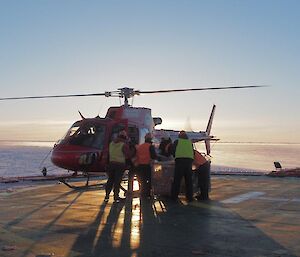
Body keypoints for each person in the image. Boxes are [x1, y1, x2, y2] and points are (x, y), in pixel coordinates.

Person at [105, 130, 130, 203]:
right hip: (120, 165)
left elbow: (108, 154)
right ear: (124, 137)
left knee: (110, 180)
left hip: (111, 164)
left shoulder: (111, 143)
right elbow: (127, 155)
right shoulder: (123, 145)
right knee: (117, 181)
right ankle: (116, 197)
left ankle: (107, 196)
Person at [171, 130, 194, 202]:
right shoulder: (190, 142)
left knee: (177, 180)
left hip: (180, 162)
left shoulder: (177, 142)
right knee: (189, 181)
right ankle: (189, 197)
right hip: (189, 162)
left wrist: (175, 157)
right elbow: (192, 152)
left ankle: (174, 197)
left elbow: (173, 151)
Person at [135, 132, 157, 198]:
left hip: (140, 165)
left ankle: (142, 193)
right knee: (148, 180)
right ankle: (147, 194)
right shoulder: (150, 146)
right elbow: (154, 156)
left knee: (142, 180)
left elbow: (136, 155)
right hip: (147, 165)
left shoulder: (140, 146)